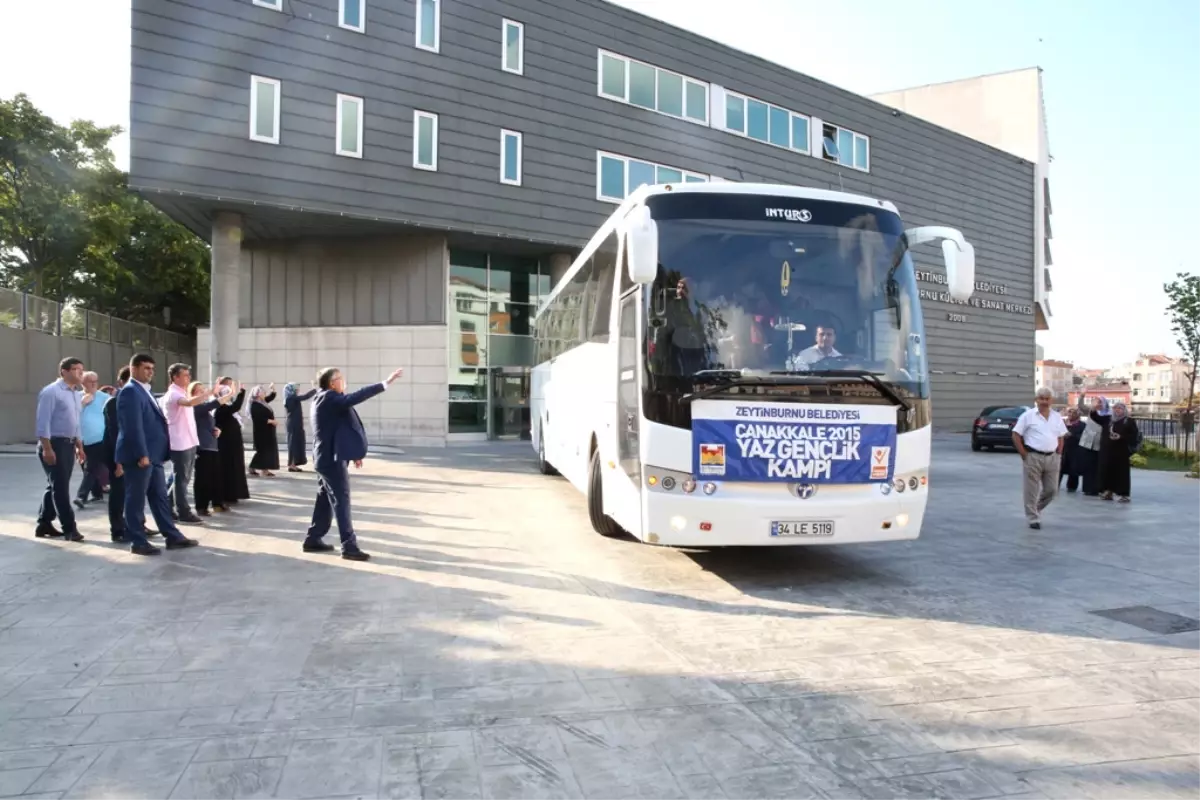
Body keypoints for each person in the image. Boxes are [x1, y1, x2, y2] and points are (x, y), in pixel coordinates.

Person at [303, 366, 405, 561]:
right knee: (341, 501)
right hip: (330, 460)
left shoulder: (327, 399)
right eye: (340, 378)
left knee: (325, 499)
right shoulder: (329, 398)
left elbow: (341, 428)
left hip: (326, 458)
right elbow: (356, 397)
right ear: (332, 383)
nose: (344, 380)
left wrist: (354, 452)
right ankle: (349, 547)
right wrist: (385, 383)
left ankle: (313, 539)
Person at [115, 353, 199, 556]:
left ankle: (172, 535)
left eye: (152, 369)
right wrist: (142, 454)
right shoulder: (130, 392)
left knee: (160, 497)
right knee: (135, 499)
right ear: (133, 368)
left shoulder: (145, 391)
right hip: (140, 457)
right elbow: (132, 427)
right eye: (146, 368)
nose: (150, 372)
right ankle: (138, 541)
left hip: (154, 456)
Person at [34, 357, 87, 542]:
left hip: (69, 444)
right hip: (54, 444)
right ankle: (69, 529)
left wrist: (79, 445)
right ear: (64, 371)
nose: (80, 373)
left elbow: (76, 422)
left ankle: (44, 523)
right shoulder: (51, 392)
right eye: (76, 369)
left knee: (55, 485)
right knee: (61, 488)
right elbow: (43, 423)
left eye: (82, 369)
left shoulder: (75, 393)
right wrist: (47, 449)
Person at [160, 363, 211, 524]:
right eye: (185, 375)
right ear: (175, 377)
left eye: (189, 375)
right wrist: (210, 393)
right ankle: (183, 512)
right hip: (180, 443)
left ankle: (168, 507)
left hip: (189, 441)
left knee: (182, 478)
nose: (188, 378)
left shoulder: (182, 392)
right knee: (181, 479)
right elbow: (188, 403)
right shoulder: (174, 394)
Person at [1011, 386, 1068, 530]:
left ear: (1051, 400)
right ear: (1036, 400)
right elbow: (1016, 435)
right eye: (1041, 398)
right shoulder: (1027, 416)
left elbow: (1061, 436)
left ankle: (1035, 508)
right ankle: (1032, 518)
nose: (1044, 401)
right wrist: (1024, 454)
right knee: (1031, 490)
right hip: (1033, 456)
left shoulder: (1056, 417)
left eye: (1047, 399)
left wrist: (1059, 454)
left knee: (1052, 490)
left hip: (1052, 457)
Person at [191, 380, 233, 515]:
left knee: (215, 477)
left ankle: (217, 503)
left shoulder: (203, 408)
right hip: (202, 447)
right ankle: (201, 506)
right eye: (199, 391)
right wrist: (230, 393)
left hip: (212, 445)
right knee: (203, 478)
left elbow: (208, 424)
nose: (203, 393)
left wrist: (216, 430)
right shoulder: (195, 407)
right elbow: (215, 403)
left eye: (203, 390)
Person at [102, 366, 133, 543]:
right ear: (121, 382)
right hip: (117, 454)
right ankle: (118, 530)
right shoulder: (114, 402)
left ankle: (133, 525)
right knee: (119, 492)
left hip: (130, 453)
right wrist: (119, 461)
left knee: (131, 493)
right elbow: (115, 433)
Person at [75, 371, 109, 508]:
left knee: (91, 467)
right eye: (90, 381)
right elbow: (71, 416)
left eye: (96, 380)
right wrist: (82, 404)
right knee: (86, 467)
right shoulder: (76, 398)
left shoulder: (104, 397)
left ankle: (81, 496)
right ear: (82, 383)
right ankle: (97, 493)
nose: (94, 383)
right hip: (80, 439)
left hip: (99, 438)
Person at [214, 378, 250, 504]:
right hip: (226, 445)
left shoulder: (227, 407)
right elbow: (236, 406)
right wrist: (241, 392)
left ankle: (234, 493)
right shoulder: (221, 407)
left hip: (234, 443)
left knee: (236, 467)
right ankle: (227, 494)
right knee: (228, 468)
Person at [1100, 400, 1139, 503]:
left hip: (1122, 451)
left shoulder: (1129, 421)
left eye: (1120, 408)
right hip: (1110, 450)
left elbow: (1134, 436)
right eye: (1115, 408)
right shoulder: (1110, 420)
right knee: (1109, 471)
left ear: (1124, 410)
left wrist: (1121, 437)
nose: (1117, 410)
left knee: (1122, 473)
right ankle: (1109, 492)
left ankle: (1124, 494)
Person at [284, 382, 318, 471]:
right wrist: (314, 389)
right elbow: (305, 397)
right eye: (296, 388)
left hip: (296, 423)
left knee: (297, 443)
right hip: (293, 424)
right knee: (293, 444)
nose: (298, 390)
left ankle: (294, 463)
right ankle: (291, 464)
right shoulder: (291, 398)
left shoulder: (292, 398)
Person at [248, 384, 280, 477]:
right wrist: (271, 421)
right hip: (261, 432)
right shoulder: (255, 405)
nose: (265, 393)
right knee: (263, 451)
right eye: (263, 392)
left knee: (267, 451)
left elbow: (271, 396)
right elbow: (258, 418)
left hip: (268, 431)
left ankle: (256, 468)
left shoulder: (262, 402)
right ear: (258, 394)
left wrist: (273, 389)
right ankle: (262, 470)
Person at [1059, 406, 1086, 493]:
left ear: (1078, 414)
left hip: (1076, 450)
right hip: (1063, 449)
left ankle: (1071, 487)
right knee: (1059, 468)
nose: (1070, 414)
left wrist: (1072, 435)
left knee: (1073, 468)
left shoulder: (1082, 425)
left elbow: (1084, 437)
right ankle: (1055, 485)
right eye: (1069, 412)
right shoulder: (1062, 423)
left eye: (1073, 412)